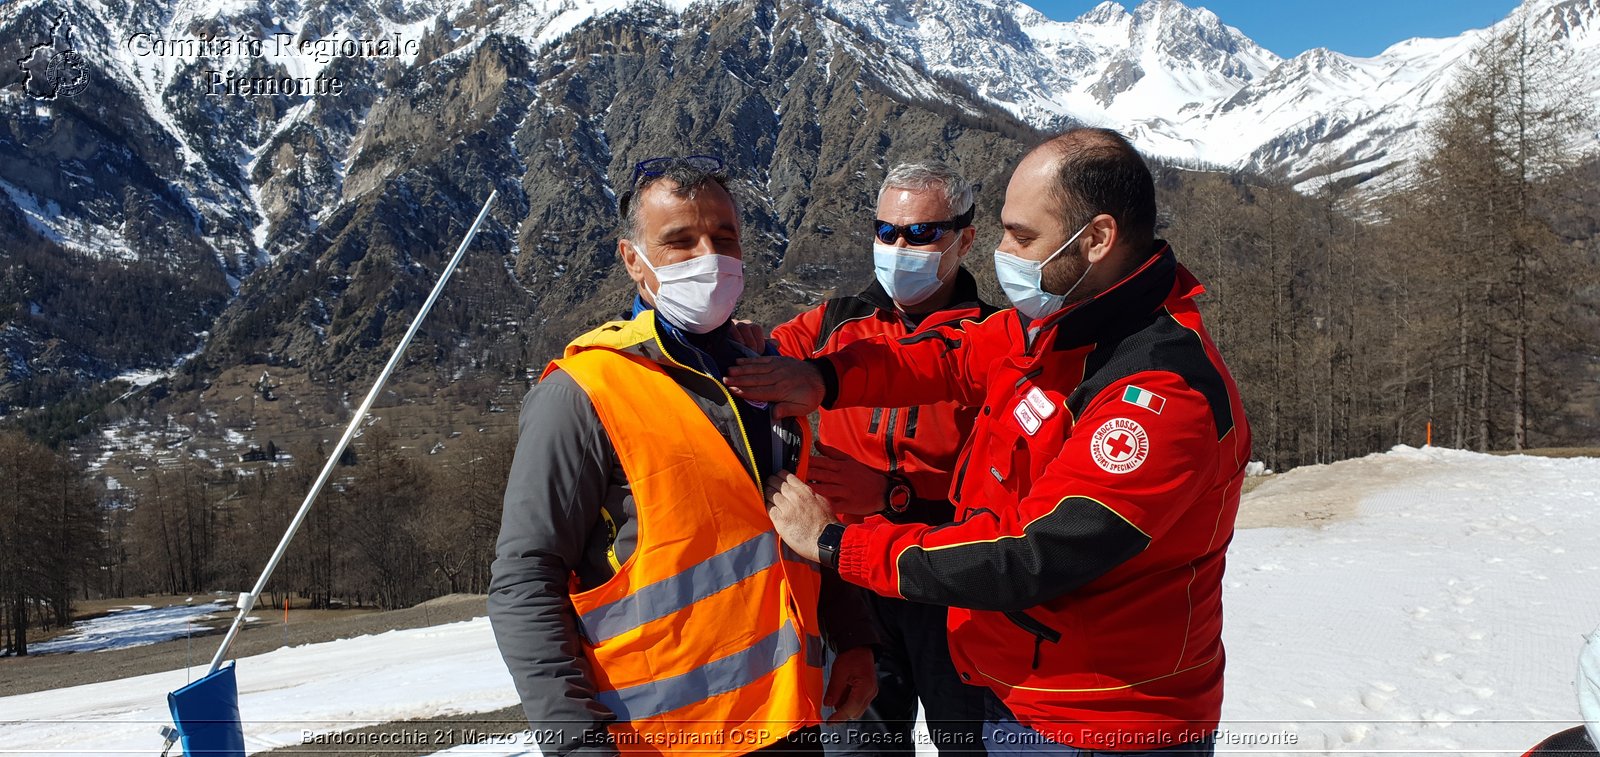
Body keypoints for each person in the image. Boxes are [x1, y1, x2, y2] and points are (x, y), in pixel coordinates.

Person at [726, 129, 1251, 756]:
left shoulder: (1157, 396)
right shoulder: (1055, 330)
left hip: (1102, 720)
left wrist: (839, 543)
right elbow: (945, 359)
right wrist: (822, 377)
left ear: (1098, 239)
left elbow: (1035, 555)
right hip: (1020, 686)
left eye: (1022, 236)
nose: (1004, 252)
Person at [488, 156, 879, 757]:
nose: (709, 256)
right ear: (632, 260)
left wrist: (851, 637)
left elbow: (801, 525)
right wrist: (576, 742)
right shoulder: (581, 393)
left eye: (724, 238)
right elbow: (524, 580)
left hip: (790, 719)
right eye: (679, 241)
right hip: (662, 737)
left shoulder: (763, 374)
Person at [769, 161, 996, 756]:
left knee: (974, 744)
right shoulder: (834, 323)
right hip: (848, 585)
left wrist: (897, 495)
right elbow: (758, 363)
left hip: (951, 585)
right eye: (886, 231)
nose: (900, 246)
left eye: (921, 234)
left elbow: (1012, 499)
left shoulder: (995, 340)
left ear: (965, 239)